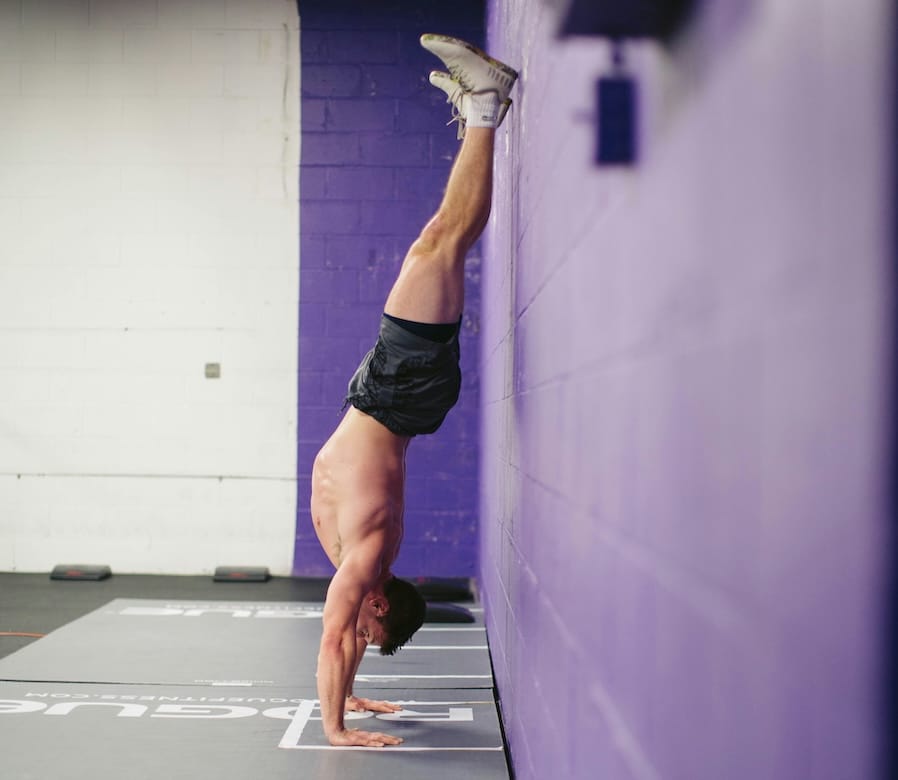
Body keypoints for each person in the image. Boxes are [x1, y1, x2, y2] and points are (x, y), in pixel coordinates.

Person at [310, 34, 518, 748]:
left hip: (395, 395)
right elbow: (340, 633)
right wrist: (337, 724)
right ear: (378, 602)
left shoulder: (365, 566)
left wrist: (343, 709)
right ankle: (484, 106)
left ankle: (483, 107)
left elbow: (346, 633)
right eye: (372, 629)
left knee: (439, 246)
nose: (360, 637)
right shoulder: (368, 559)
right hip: (398, 394)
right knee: (438, 245)